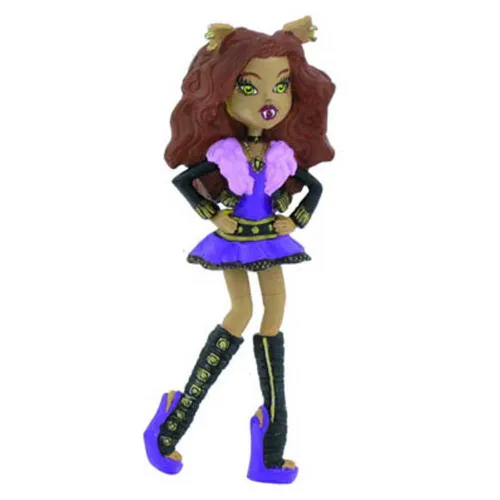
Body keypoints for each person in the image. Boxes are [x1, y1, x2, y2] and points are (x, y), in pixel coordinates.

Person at [144, 15, 335, 484]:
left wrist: (297, 218)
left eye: (281, 86)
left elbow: (314, 188)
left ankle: (269, 442)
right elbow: (185, 182)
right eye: (250, 87)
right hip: (234, 240)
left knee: (274, 319)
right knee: (240, 312)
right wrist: (213, 214)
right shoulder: (225, 153)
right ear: (224, 92)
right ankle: (173, 421)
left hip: (270, 235)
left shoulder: (280, 155)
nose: (269, 99)